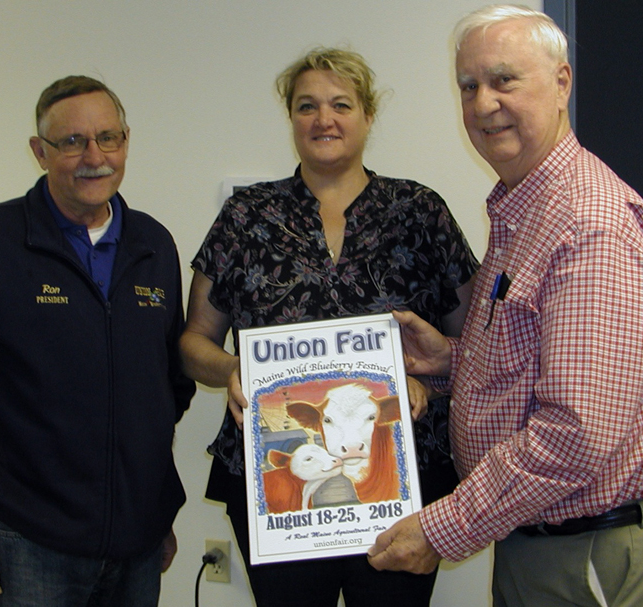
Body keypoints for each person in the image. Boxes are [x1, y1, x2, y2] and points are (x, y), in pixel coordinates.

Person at [368, 6, 643, 606]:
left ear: (562, 82)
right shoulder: (526, 209)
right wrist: (450, 361)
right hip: (546, 539)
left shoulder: (588, 225)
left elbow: (576, 433)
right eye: (469, 86)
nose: (484, 102)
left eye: (503, 79)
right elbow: (540, 363)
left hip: (585, 553)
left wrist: (443, 529)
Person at [179, 47, 478, 606]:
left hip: (403, 475)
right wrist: (234, 369)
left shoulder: (420, 210)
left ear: (368, 115)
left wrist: (427, 380)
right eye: (307, 106)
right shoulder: (246, 216)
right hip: (281, 479)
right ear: (290, 117)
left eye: (341, 104)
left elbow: (479, 343)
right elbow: (193, 342)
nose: (324, 119)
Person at [0, 75, 195, 606]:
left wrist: (151, 513)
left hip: (138, 545)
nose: (94, 156)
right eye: (71, 142)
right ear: (39, 152)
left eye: (108, 137)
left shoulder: (153, 244)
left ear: (126, 141)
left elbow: (166, 390)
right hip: (25, 543)